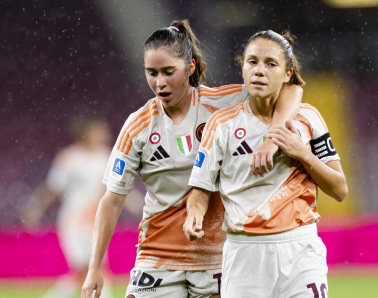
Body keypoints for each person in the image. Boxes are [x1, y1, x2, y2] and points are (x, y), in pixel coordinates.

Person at [81, 20, 302, 298]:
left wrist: (273, 137)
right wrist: (94, 269)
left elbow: (290, 89)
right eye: (152, 73)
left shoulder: (223, 103)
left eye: (168, 72)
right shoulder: (137, 126)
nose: (159, 82)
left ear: (190, 67)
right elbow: (112, 201)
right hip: (156, 259)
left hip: (217, 257)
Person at [184, 30, 347, 297]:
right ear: (243, 67)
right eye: (252, 62)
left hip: (300, 249)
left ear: (287, 73)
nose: (259, 70)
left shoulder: (308, 119)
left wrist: (303, 155)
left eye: (271, 64)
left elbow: (340, 190)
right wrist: (194, 214)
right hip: (244, 254)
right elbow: (200, 190)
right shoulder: (221, 124)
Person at [22, 118, 115, 298]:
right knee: (85, 267)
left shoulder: (106, 157)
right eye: (99, 131)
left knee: (95, 267)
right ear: (87, 133)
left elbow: (115, 187)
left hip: (96, 220)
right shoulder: (70, 159)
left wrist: (135, 203)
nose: (104, 134)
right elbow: (52, 188)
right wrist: (35, 208)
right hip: (73, 221)